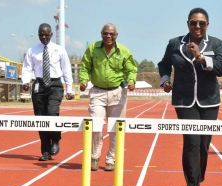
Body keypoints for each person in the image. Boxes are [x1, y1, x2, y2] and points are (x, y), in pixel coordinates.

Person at [158, 8, 222, 186]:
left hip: (209, 100)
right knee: (191, 142)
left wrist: (202, 57)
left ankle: (197, 177)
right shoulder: (174, 43)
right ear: (187, 24)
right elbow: (164, 64)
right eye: (193, 23)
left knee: (204, 144)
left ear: (207, 25)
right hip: (184, 100)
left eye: (201, 23)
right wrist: (165, 81)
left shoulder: (216, 43)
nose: (197, 26)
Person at [79, 23, 137, 171]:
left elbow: (131, 68)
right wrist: (83, 80)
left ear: (116, 36)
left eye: (112, 34)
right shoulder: (93, 48)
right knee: (96, 126)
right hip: (97, 92)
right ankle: (94, 156)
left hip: (117, 92)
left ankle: (111, 159)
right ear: (101, 34)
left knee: (115, 129)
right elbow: (85, 66)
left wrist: (131, 81)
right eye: (106, 33)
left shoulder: (123, 51)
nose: (108, 36)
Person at [21, 23, 74, 161]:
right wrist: (25, 81)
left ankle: (55, 139)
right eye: (41, 34)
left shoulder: (59, 50)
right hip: (39, 84)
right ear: (38, 34)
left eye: (46, 34)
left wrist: (69, 88)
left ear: (51, 34)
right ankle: (45, 151)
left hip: (55, 84)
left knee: (52, 113)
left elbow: (67, 69)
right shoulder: (32, 50)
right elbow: (27, 68)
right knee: (41, 120)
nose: (44, 37)